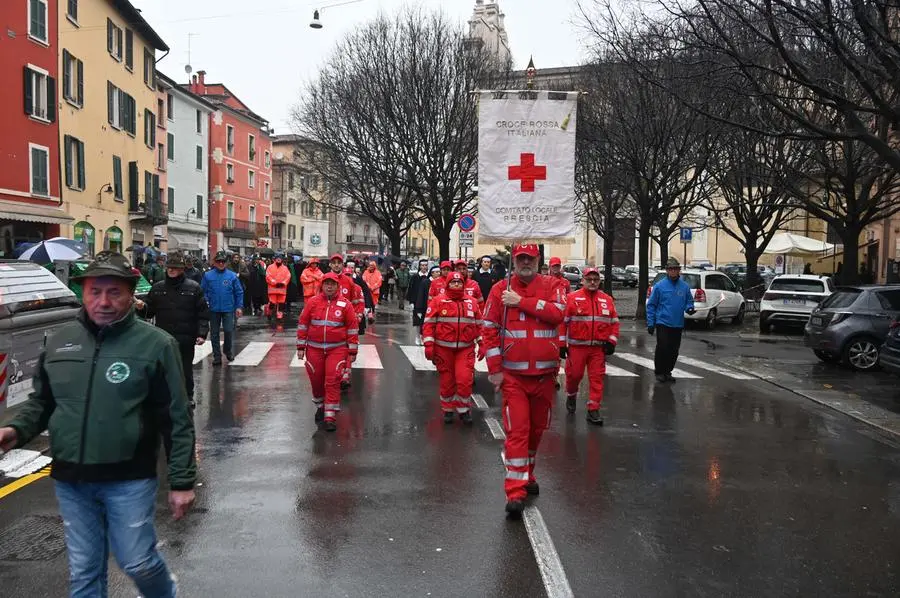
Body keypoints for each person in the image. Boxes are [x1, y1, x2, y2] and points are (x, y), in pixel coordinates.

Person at [0, 251, 196, 598]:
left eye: (114, 292)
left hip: (129, 478)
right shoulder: (60, 341)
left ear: (132, 294)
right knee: (84, 573)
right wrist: (17, 430)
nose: (103, 301)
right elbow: (43, 401)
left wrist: (181, 481)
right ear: (82, 293)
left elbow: (177, 418)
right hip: (71, 480)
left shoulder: (156, 345)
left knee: (136, 562)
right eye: (94, 291)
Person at [481, 244, 566, 519]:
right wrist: (495, 369)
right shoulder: (498, 289)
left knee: (537, 429)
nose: (525, 263)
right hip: (514, 376)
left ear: (538, 260)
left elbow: (558, 314)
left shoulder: (553, 284)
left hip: (544, 376)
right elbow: (489, 330)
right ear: (514, 262)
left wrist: (521, 302)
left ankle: (528, 472)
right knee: (518, 430)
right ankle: (515, 492)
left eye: (530, 258)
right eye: (521, 259)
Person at [135, 251, 210, 408]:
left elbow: (202, 313)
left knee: (185, 368)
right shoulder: (157, 288)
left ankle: (188, 396)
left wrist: (202, 333)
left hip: (185, 336)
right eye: (169, 268)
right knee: (163, 369)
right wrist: (142, 307)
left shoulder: (193, 288)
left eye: (175, 268)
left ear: (182, 269)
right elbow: (150, 311)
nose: (171, 271)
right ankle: (165, 396)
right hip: (163, 336)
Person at [297, 272, 359, 432]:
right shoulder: (312, 303)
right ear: (322, 286)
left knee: (332, 380)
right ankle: (320, 405)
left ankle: (330, 416)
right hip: (314, 349)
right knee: (316, 380)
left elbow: (352, 328)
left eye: (333, 284)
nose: (329, 287)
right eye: (327, 284)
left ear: (338, 287)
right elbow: (303, 324)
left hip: (337, 349)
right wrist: (300, 347)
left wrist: (352, 351)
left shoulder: (346, 305)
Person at [560, 268, 619, 425]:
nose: (592, 282)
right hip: (577, 347)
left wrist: (612, 341)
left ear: (599, 281)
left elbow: (614, 323)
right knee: (574, 376)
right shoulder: (572, 298)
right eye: (589, 279)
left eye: (595, 279)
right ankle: (571, 395)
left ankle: (593, 409)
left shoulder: (607, 299)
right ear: (582, 280)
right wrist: (561, 344)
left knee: (597, 379)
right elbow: (562, 323)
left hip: (598, 349)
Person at [423, 272, 483, 424]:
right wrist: (429, 345)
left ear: (464, 284)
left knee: (464, 380)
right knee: (447, 381)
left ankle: (464, 410)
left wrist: (482, 343)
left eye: (459, 282)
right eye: (453, 282)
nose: (456, 285)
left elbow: (479, 325)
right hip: (443, 349)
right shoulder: (438, 301)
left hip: (465, 348)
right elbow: (429, 323)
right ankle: (448, 409)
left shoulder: (472, 302)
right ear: (447, 284)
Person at [646, 257, 695, 383]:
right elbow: (651, 305)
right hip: (662, 322)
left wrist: (689, 308)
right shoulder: (659, 286)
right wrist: (651, 323)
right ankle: (659, 371)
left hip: (677, 324)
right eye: (671, 269)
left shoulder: (684, 287)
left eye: (675, 269)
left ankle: (668, 371)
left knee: (674, 350)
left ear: (678, 271)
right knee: (663, 347)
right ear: (667, 271)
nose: (673, 271)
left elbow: (689, 301)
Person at [201, 251, 244, 365]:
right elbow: (202, 291)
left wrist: (239, 307)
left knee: (229, 331)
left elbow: (239, 292)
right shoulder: (208, 275)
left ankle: (227, 350)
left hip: (228, 308)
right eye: (219, 261)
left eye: (223, 261)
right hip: (213, 309)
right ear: (215, 262)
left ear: (226, 262)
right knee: (214, 334)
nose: (221, 263)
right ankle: (217, 356)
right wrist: (206, 301)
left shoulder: (232, 276)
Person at [265, 252, 292, 321]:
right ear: (275, 259)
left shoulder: (285, 268)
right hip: (272, 289)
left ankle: (279, 317)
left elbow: (288, 276)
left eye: (280, 258)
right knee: (272, 303)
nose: (279, 259)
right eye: (277, 258)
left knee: (281, 304)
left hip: (282, 289)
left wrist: (283, 283)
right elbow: (268, 276)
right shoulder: (270, 267)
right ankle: (269, 313)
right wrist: (274, 283)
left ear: (282, 259)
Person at [415, 266, 442, 330]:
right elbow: (420, 295)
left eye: (439, 272)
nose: (438, 274)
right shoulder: (425, 282)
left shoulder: (442, 282)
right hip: (426, 306)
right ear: (432, 273)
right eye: (437, 272)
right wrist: (419, 309)